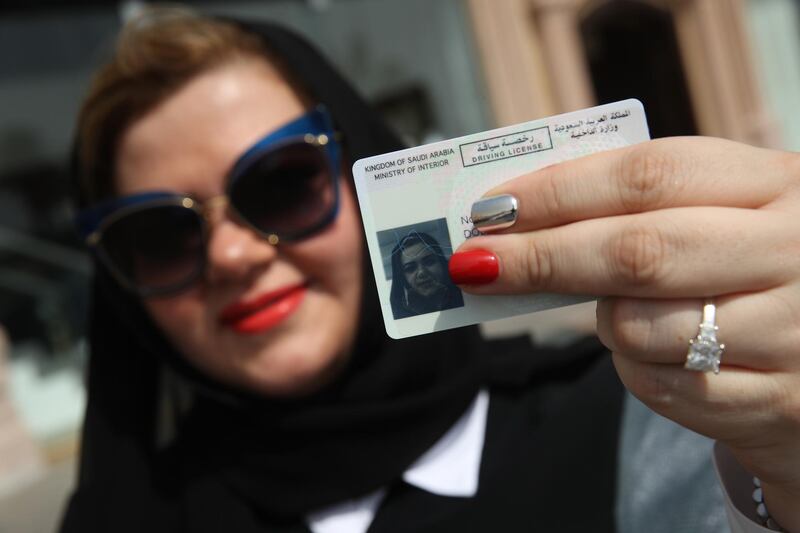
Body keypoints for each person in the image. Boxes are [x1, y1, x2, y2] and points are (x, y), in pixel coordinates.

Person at [60, 7, 799, 533]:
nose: (230, 254)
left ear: (359, 172)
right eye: (159, 235)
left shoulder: (651, 415)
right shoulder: (125, 515)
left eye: (280, 183)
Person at [389, 232, 464, 319]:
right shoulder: (400, 320)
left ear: (442, 264)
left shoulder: (467, 297)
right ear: (402, 278)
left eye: (429, 262)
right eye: (410, 268)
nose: (421, 273)